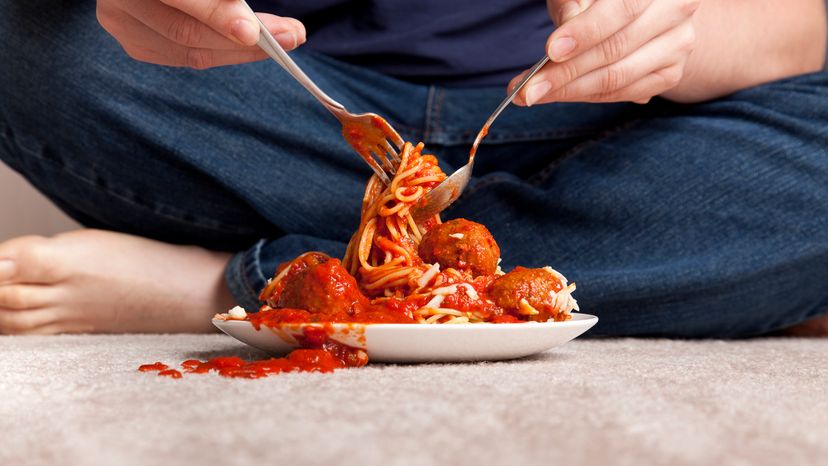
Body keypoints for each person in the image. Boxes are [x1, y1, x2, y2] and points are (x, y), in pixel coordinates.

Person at [0, 0, 826, 337]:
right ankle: (689, 276)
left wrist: (683, 34)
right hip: (285, 109)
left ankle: (244, 289)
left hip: (624, 125)